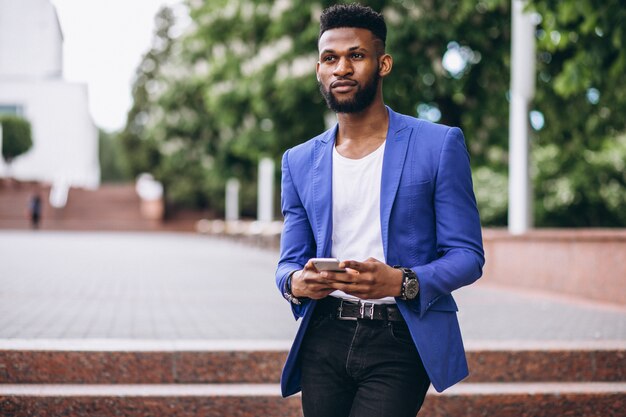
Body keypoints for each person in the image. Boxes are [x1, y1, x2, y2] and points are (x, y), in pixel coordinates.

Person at [276, 3, 484, 417]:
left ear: (383, 63)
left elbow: (468, 256)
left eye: (356, 55)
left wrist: (401, 282)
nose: (342, 69)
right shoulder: (299, 161)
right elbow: (287, 264)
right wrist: (296, 283)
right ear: (319, 69)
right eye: (330, 59)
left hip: (400, 335)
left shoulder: (438, 144)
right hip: (324, 334)